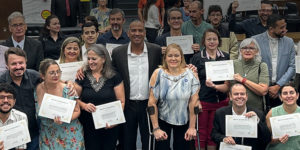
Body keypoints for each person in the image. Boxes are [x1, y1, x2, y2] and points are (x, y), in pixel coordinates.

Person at [111, 20, 162, 150]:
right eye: (133, 30)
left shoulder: (155, 50)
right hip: (127, 104)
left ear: (145, 33)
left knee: (149, 140)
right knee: (127, 142)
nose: (137, 33)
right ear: (128, 33)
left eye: (140, 31)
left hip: (149, 104)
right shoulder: (118, 52)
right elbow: (112, 76)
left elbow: (165, 71)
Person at [148, 43, 200, 149]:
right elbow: (151, 103)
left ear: (181, 57)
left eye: (176, 55)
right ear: (165, 58)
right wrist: (156, 128)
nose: (173, 58)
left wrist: (192, 127)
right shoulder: (158, 74)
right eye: (170, 56)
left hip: (184, 120)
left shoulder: (191, 74)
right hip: (162, 119)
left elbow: (194, 102)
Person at [75, 44, 125, 149]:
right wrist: (84, 105)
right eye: (88, 59)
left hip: (110, 125)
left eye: (94, 58)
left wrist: (115, 121)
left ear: (103, 59)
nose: (90, 62)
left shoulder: (114, 76)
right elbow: (74, 99)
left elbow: (121, 101)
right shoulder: (82, 76)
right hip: (88, 125)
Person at [190, 28, 229, 150]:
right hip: (203, 101)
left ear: (219, 41)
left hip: (221, 102)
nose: (211, 42)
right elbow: (193, 82)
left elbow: (228, 83)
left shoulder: (226, 57)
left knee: (214, 132)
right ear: (203, 42)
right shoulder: (197, 58)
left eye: (214, 39)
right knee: (201, 132)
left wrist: (215, 86)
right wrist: (196, 101)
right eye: (209, 39)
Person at [207, 38, 269, 111]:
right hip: (234, 109)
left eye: (251, 48)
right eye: (244, 48)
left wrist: (243, 80)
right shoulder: (232, 64)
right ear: (240, 51)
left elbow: (263, 91)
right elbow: (227, 87)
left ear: (257, 51)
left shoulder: (262, 66)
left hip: (255, 110)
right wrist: (214, 86)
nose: (247, 50)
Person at [35, 59, 84, 149]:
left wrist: (64, 119)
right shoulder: (37, 89)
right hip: (47, 136)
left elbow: (77, 111)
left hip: (69, 135)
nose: (56, 75)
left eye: (58, 72)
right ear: (42, 75)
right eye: (52, 73)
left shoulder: (68, 89)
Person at [211, 83, 271, 150]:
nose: (239, 96)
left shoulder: (258, 114)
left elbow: (267, 139)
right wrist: (223, 138)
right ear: (230, 96)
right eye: (236, 94)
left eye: (242, 94)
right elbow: (214, 134)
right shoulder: (220, 113)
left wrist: (257, 121)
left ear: (246, 96)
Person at [253, 14, 295, 108]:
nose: (285, 30)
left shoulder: (289, 42)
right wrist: (267, 87)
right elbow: (253, 66)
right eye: (282, 27)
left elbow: (292, 67)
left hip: (282, 88)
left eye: (285, 26)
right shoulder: (255, 40)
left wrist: (278, 86)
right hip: (260, 88)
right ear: (271, 29)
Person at [266, 84, 300, 149]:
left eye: (291, 92)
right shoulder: (272, 113)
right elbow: (265, 139)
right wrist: (277, 140)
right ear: (280, 97)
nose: (289, 96)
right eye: (285, 93)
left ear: (297, 95)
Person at [0, 83, 28, 150]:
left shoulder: (21, 117)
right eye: (1, 97)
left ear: (14, 101)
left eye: (9, 97)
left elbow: (21, 147)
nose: (5, 100)